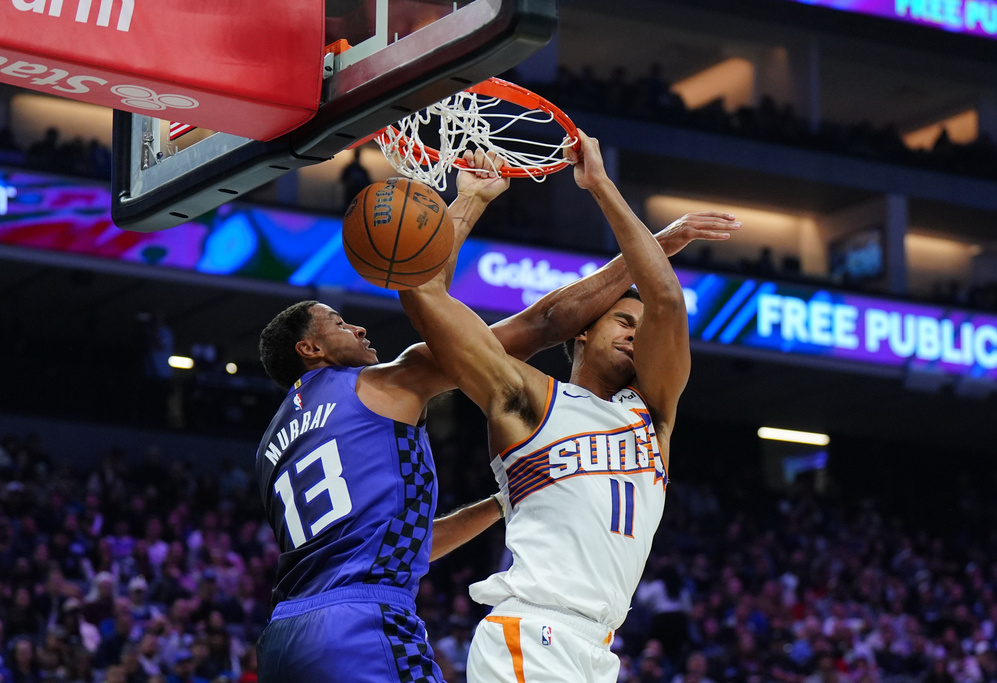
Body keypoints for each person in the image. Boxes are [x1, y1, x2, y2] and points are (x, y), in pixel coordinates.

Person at [254, 149, 738, 683]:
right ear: (310, 350)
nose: (361, 330)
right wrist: (467, 202)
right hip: (380, 621)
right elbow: (533, 319)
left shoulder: (274, 444)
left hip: (288, 630)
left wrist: (499, 503)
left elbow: (396, 542)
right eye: (339, 322)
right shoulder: (389, 382)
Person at [399, 131, 740, 682]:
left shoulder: (655, 417)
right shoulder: (529, 399)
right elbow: (427, 299)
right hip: (532, 633)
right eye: (621, 322)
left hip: (598, 648)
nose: (636, 334)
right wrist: (476, 200)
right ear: (582, 334)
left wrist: (633, 217)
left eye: (640, 328)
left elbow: (667, 301)